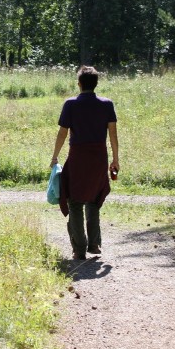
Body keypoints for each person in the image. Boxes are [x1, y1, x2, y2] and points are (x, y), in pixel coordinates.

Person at [50, 66, 119, 260]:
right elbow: (112, 133)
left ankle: (79, 249)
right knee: (94, 199)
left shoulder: (70, 104)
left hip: (78, 156)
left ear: (79, 84)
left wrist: (55, 157)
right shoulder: (107, 104)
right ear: (96, 83)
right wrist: (115, 159)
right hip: (99, 156)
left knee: (74, 201)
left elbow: (62, 133)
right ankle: (94, 245)